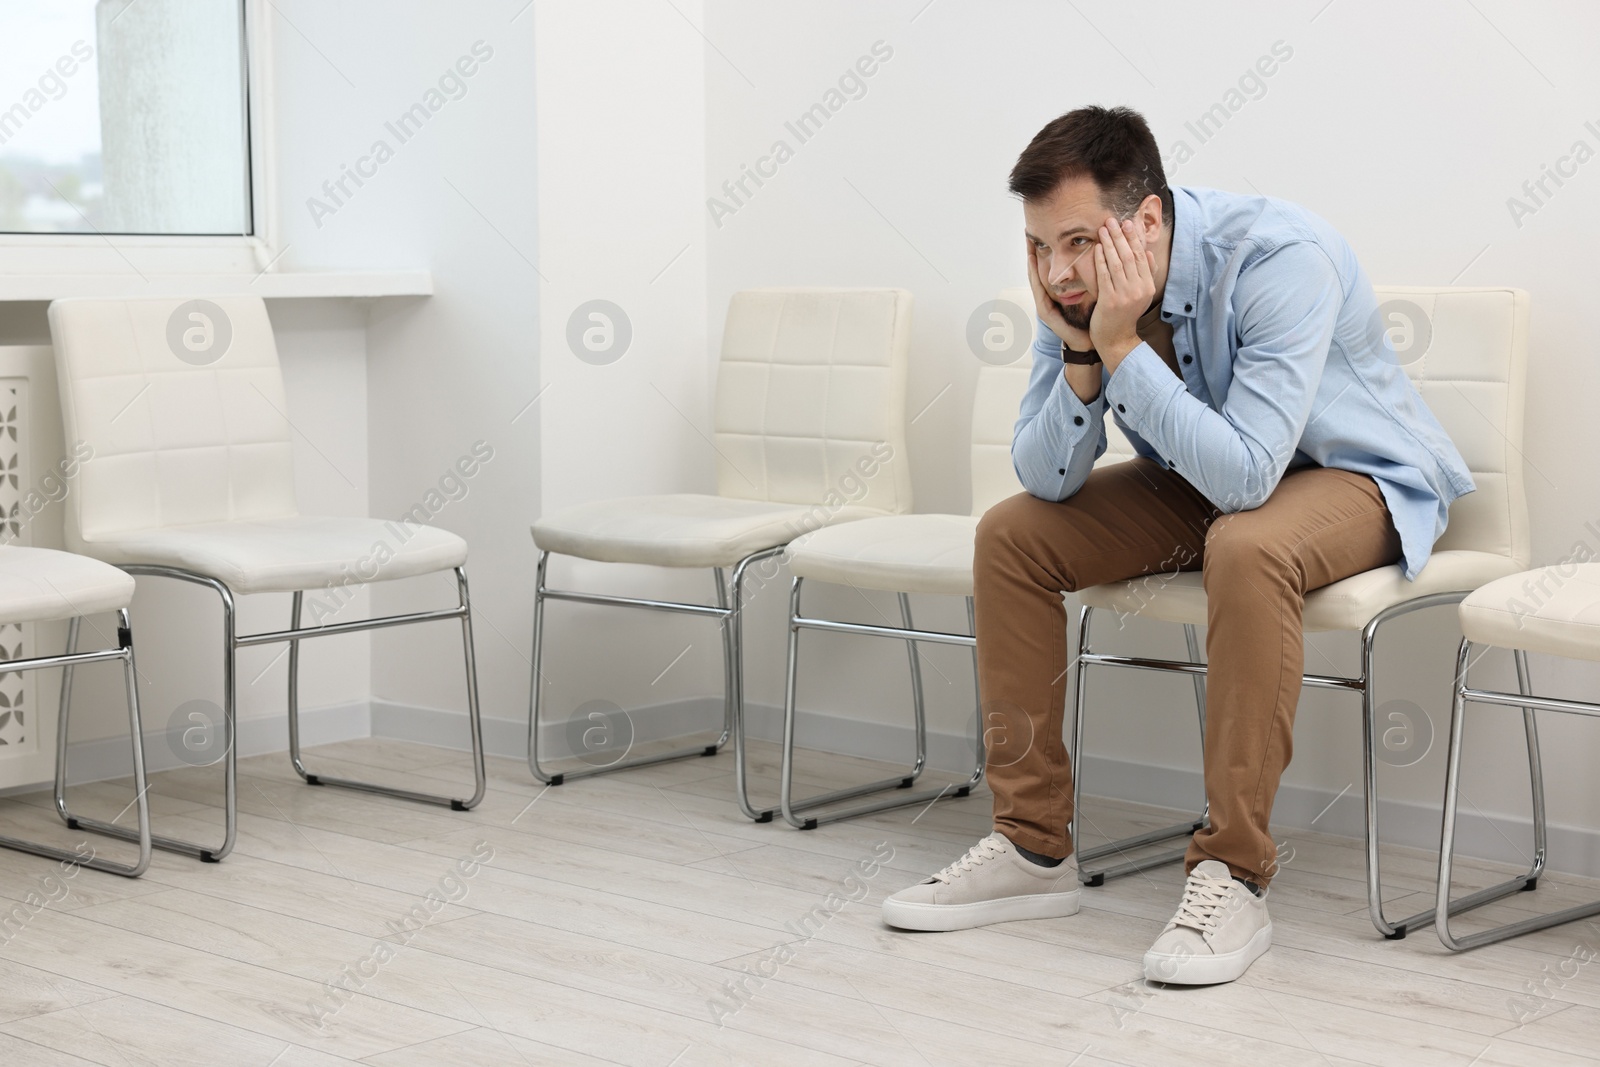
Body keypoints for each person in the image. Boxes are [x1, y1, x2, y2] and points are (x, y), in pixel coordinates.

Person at [881, 105, 1473, 985]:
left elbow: (1246, 479)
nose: (1057, 270)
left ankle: (1233, 870)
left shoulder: (1282, 258)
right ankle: (1032, 846)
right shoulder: (1076, 290)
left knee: (1247, 545)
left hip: (1360, 479)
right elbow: (1045, 477)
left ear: (1147, 220)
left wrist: (1122, 343)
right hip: (1222, 484)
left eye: (1077, 242)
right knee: (1012, 535)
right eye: (1039, 246)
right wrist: (1085, 352)